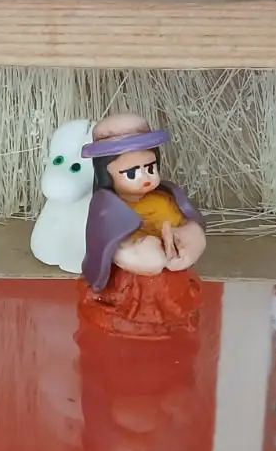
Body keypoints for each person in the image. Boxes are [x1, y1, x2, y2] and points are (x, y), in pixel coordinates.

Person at [79, 113, 206, 339]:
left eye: (150, 168)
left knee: (174, 296)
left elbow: (185, 221)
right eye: (131, 173)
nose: (145, 178)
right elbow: (105, 243)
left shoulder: (165, 197)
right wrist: (135, 251)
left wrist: (187, 238)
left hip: (170, 271)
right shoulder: (107, 206)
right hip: (130, 281)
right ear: (107, 174)